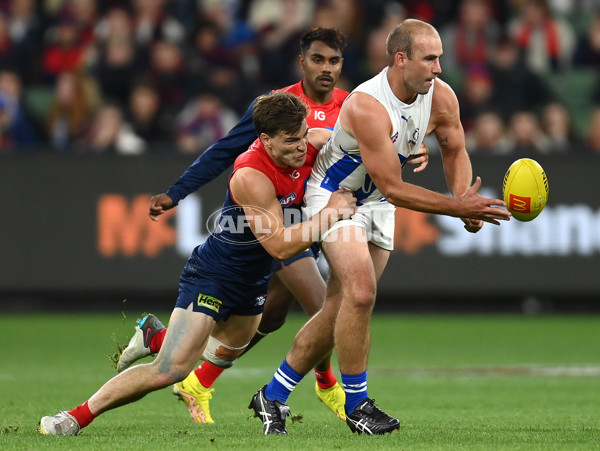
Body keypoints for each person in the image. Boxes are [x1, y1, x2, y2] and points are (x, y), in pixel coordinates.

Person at [38, 91, 357, 436]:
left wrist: (405, 149)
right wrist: (330, 213)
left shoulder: (312, 142)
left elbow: (363, 144)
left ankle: (156, 336)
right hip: (216, 276)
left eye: (304, 135)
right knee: (172, 369)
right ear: (264, 139)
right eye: (291, 140)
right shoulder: (251, 175)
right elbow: (280, 246)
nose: (301, 145)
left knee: (223, 355)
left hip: (253, 283)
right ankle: (73, 418)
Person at [248, 18, 511, 436]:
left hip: (379, 203)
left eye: (440, 57)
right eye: (429, 59)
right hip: (335, 195)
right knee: (362, 291)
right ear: (400, 59)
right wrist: (458, 205)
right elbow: (395, 185)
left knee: (341, 307)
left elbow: (454, 147)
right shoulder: (368, 104)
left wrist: (465, 201)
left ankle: (273, 395)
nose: (439, 68)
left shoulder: (440, 96)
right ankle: (358, 406)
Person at [114, 27, 363, 424]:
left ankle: (166, 348)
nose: (326, 68)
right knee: (326, 306)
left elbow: (372, 150)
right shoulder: (280, 107)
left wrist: (407, 146)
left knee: (274, 316)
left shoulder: (352, 107)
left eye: (334, 61)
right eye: (318, 59)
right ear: (302, 61)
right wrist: (177, 192)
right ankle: (327, 383)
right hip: (277, 224)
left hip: (312, 224)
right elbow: (226, 150)